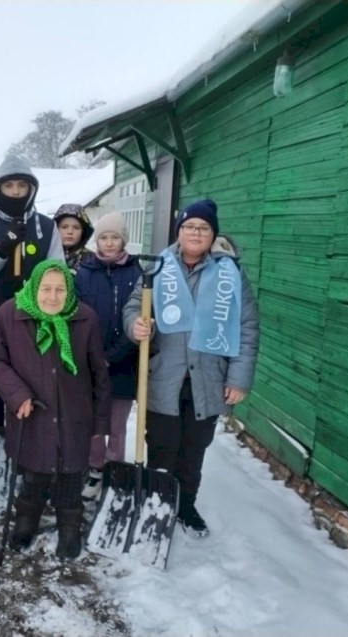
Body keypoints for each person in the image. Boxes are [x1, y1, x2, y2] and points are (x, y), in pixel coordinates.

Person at [124, 199, 259, 537]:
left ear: (213, 235)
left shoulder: (230, 273)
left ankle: (185, 505)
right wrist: (135, 326)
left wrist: (239, 377)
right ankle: (157, 503)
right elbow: (133, 307)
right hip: (164, 377)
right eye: (189, 226)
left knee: (193, 449)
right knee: (161, 444)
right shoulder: (158, 267)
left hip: (209, 380)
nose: (195, 233)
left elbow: (247, 326)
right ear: (179, 231)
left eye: (204, 228)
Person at [0, 259, 110, 559]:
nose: (53, 297)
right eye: (46, 289)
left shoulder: (85, 318)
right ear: (34, 287)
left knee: (70, 476)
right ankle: (25, 522)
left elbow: (99, 375)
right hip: (32, 414)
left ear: (69, 291)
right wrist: (17, 395)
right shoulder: (10, 314)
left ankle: (69, 528)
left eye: (60, 289)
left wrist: (100, 425)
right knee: (35, 475)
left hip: (74, 416)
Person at [0, 155, 64, 459]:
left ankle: (31, 449)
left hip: (35, 320)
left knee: (34, 384)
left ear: (31, 189)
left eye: (22, 185)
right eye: (9, 185)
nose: (16, 191)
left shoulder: (47, 227)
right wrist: (1, 250)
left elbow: (59, 273)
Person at [74, 212, 142, 501]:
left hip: (123, 361)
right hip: (91, 362)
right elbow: (75, 316)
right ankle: (95, 468)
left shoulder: (137, 272)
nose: (110, 243)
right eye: (104, 237)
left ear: (123, 239)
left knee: (116, 423)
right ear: (96, 240)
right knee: (93, 422)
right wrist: (92, 355)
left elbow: (138, 316)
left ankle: (115, 470)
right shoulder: (85, 273)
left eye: (115, 237)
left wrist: (113, 355)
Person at [53, 203, 94, 273]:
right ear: (55, 229)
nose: (70, 232)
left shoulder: (93, 260)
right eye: (64, 227)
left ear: (83, 231)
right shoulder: (47, 256)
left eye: (76, 227)